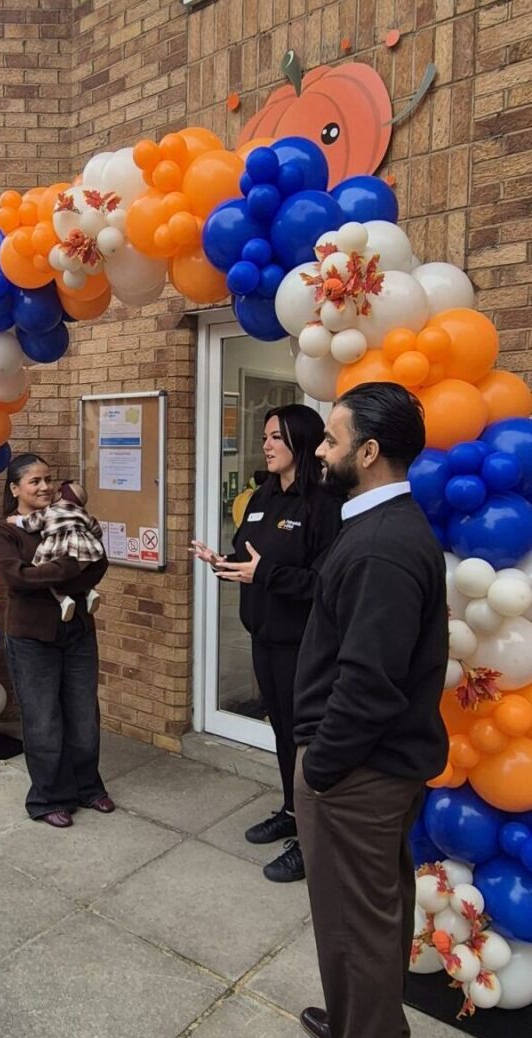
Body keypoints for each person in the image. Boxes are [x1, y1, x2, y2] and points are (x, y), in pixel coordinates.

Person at [292, 383, 449, 1038]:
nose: (321, 450)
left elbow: (368, 685)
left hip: (358, 775)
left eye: (331, 438)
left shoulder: (381, 545)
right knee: (364, 917)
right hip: (369, 770)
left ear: (370, 451)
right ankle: (359, 1019)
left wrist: (321, 770)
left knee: (356, 923)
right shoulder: (375, 526)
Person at [191, 403, 340, 883]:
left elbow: (326, 584)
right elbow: (248, 554)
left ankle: (314, 839)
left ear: (301, 440)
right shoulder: (262, 497)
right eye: (265, 437)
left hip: (305, 645)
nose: (267, 445)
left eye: (276, 437)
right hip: (265, 637)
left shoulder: (324, 505)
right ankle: (292, 812)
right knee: (281, 732)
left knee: (306, 740)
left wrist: (266, 573)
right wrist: (222, 560)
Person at [0, 453, 113, 828]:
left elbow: (100, 564)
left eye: (48, 480)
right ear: (15, 489)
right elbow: (17, 580)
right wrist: (70, 570)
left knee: (84, 715)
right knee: (43, 719)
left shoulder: (67, 516)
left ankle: (88, 786)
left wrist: (51, 575)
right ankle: (48, 798)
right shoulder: (3, 531)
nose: (44, 487)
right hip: (31, 637)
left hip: (77, 630)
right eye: (34, 481)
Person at [8, 478, 103, 622]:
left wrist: (16, 520)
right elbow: (95, 528)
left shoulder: (49, 511)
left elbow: (31, 522)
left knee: (49, 576)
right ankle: (89, 591)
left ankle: (63, 599)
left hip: (58, 549)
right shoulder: (82, 513)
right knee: (80, 573)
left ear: (60, 495)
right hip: (84, 550)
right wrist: (93, 539)